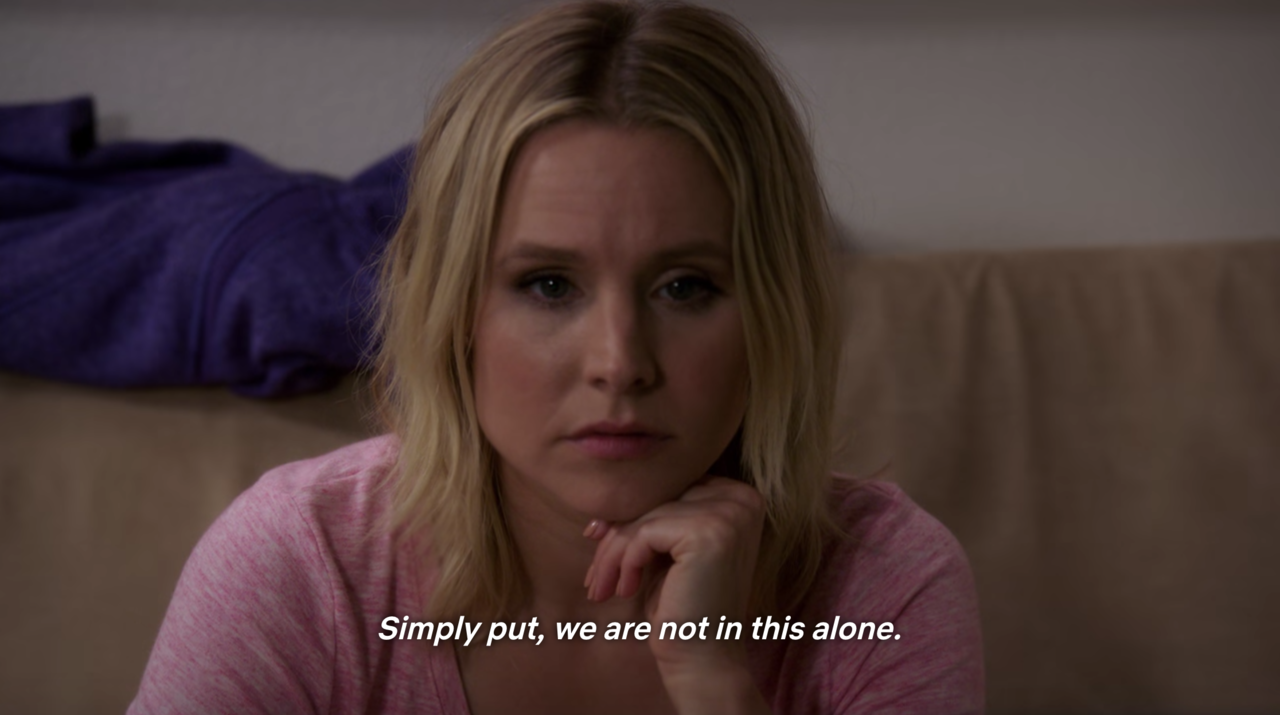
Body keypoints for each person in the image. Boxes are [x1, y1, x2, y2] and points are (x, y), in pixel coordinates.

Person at [129, 1, 984, 713]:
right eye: (548, 285)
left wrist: (713, 680)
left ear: (773, 309)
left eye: (685, 286)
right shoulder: (303, 562)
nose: (620, 363)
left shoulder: (882, 583)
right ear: (455, 310)